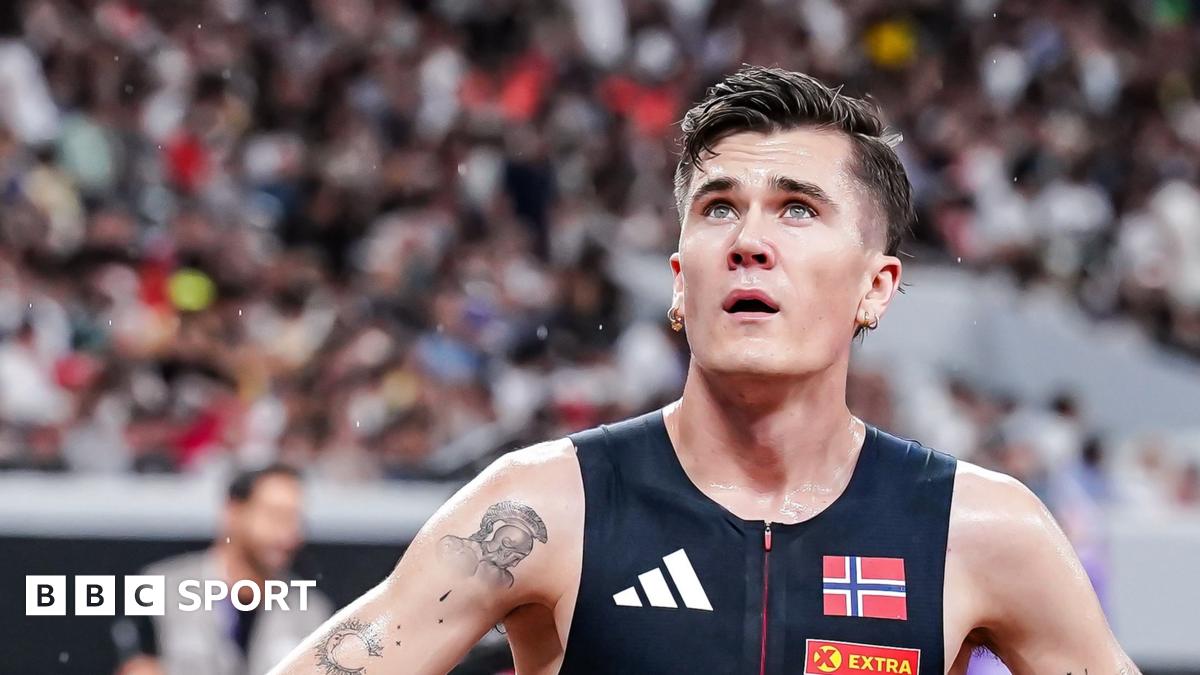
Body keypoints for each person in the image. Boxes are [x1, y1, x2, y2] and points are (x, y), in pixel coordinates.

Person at [268, 66, 1137, 675]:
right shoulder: (546, 506)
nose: (749, 240)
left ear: (875, 288)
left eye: (798, 209)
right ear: (681, 282)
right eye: (720, 208)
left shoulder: (978, 528)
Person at [114, 464, 333, 675]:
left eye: (296, 519)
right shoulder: (162, 588)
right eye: (275, 515)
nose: (288, 533)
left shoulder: (310, 613)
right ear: (234, 511)